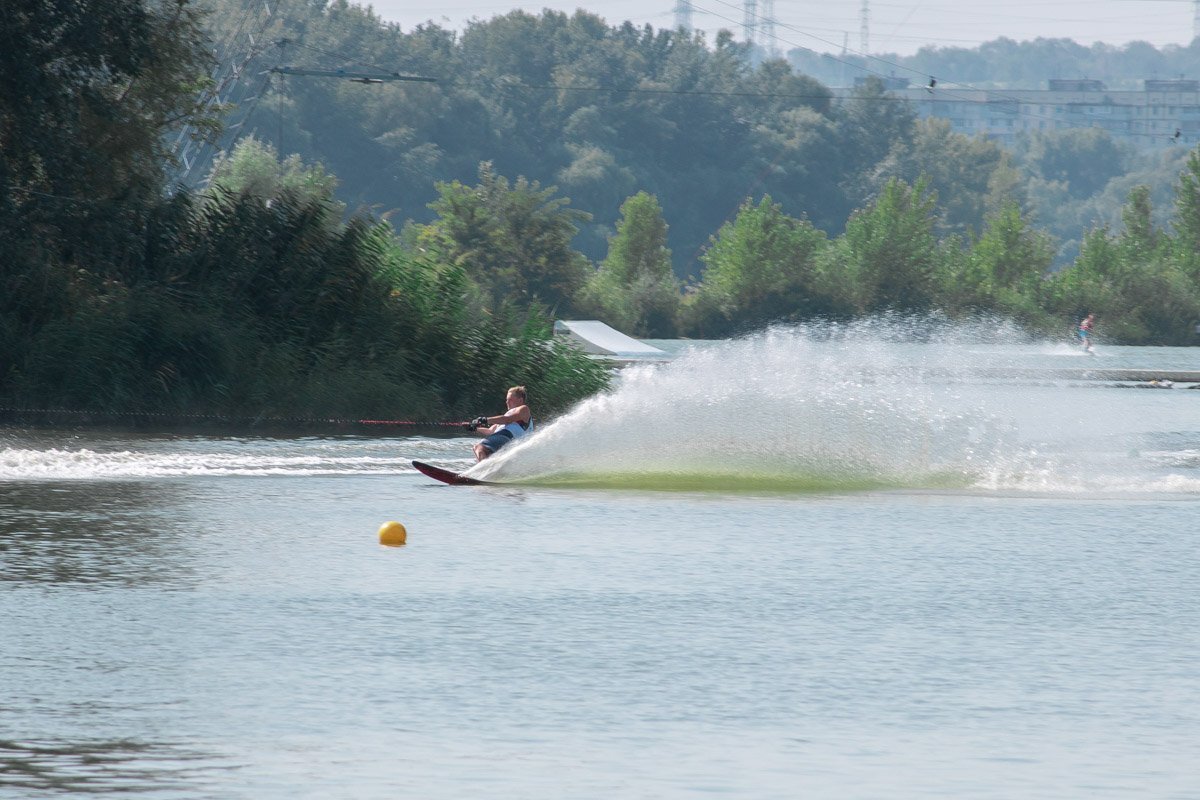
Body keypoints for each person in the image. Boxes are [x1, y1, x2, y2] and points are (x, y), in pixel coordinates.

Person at [465, 386, 533, 462]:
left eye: (510, 400)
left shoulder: (524, 409)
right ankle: (487, 471)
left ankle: (482, 472)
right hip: (507, 440)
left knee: (479, 447)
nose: (507, 402)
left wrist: (484, 420)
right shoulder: (505, 419)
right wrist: (473, 427)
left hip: (509, 437)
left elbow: (506, 419)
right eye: (506, 400)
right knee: (486, 454)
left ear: (520, 400)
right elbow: (490, 431)